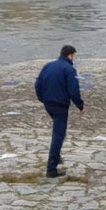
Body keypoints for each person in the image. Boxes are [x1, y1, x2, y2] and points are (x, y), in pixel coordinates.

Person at [34, 45, 85, 178]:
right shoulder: (70, 69)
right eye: (74, 56)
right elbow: (73, 91)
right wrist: (80, 105)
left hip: (48, 103)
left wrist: (42, 98)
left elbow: (38, 84)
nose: (75, 58)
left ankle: (56, 157)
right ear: (70, 55)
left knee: (58, 132)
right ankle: (51, 169)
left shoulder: (48, 66)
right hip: (60, 105)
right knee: (58, 135)